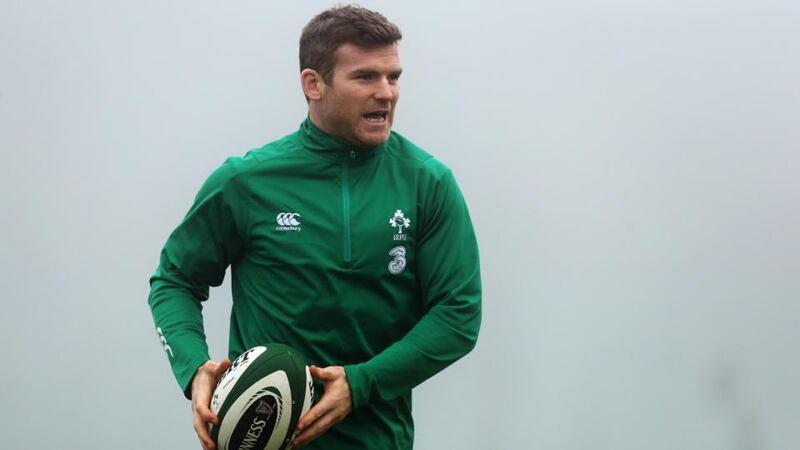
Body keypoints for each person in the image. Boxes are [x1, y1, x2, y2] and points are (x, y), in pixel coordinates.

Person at [148, 5, 481, 450]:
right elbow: (174, 281)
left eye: (393, 77)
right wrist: (194, 368)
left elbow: (458, 315)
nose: (386, 93)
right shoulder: (246, 181)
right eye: (365, 77)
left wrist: (362, 383)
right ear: (313, 84)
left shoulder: (428, 182)